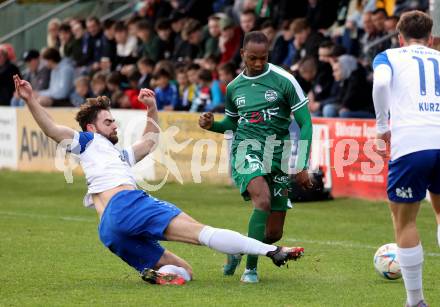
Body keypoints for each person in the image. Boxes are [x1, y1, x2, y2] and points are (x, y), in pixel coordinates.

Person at [13, 73, 304, 285]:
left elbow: (149, 142)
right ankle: (272, 250)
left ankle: (159, 275)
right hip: (126, 204)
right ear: (91, 126)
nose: (114, 123)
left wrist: (151, 109)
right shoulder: (87, 141)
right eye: (108, 121)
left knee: (185, 271)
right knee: (202, 233)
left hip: (110, 231)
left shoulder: (117, 156)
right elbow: (52, 128)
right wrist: (30, 99)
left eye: (113, 119)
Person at [199, 31, 313, 283]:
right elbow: (231, 123)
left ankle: (238, 249)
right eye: (253, 58)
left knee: (273, 234)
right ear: (242, 55)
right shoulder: (234, 87)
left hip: (278, 154)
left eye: (263, 58)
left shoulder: (285, 80)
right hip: (246, 148)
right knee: (261, 200)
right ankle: (251, 270)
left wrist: (303, 163)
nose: (258, 63)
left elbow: (306, 123)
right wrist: (212, 125)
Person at [372, 10, 440, 307]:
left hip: (412, 142)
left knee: (405, 220)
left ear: (399, 37)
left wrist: (382, 127)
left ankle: (415, 301)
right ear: (431, 37)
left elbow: (381, 85)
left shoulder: (389, 56)